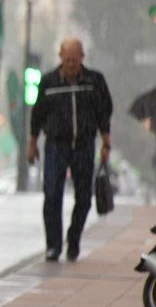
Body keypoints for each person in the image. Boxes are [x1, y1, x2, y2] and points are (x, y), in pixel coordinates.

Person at [27, 37, 112, 262]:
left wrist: (106, 141)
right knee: (52, 194)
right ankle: (53, 245)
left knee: (84, 197)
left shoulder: (94, 81)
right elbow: (37, 114)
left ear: (82, 58)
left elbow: (104, 112)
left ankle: (73, 239)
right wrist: (33, 142)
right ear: (60, 58)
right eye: (66, 60)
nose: (71, 65)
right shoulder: (49, 82)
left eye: (74, 60)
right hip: (56, 144)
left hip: (84, 144)